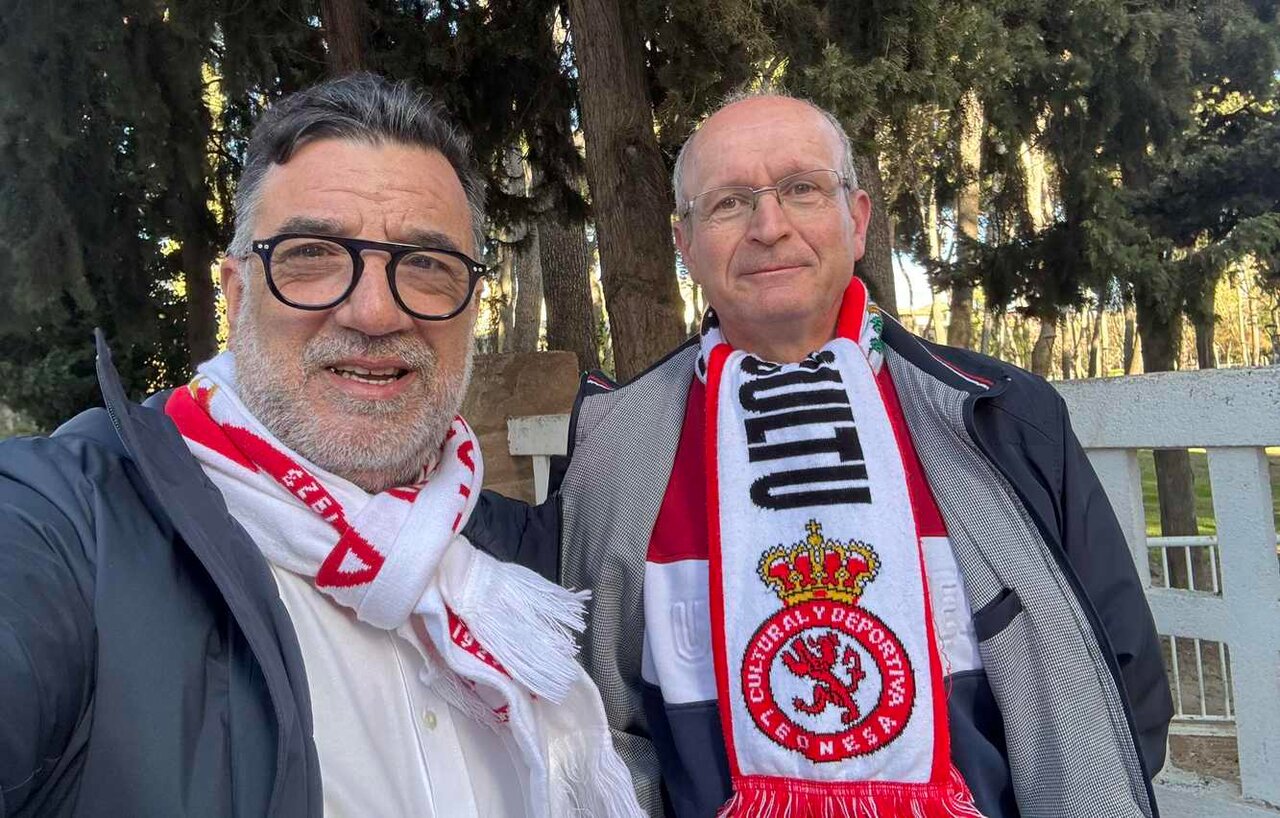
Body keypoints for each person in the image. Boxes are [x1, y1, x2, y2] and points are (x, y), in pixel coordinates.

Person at [0, 73, 640, 818]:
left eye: (427, 265)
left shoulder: (523, 563)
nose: (373, 311)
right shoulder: (75, 528)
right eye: (311, 255)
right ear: (238, 295)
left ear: (469, 304)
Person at [549, 92, 1174, 817]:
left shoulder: (1006, 420)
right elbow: (596, 727)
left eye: (801, 189)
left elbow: (1117, 691)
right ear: (685, 245)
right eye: (727, 204)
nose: (769, 226)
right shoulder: (615, 452)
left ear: (859, 220)